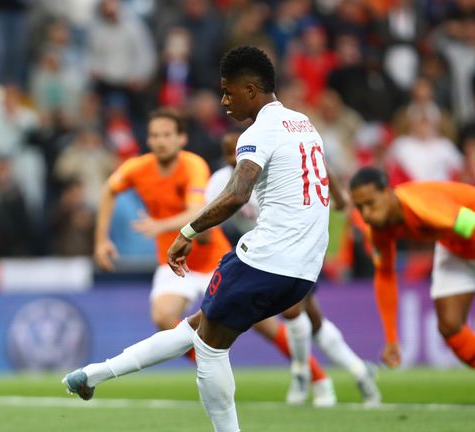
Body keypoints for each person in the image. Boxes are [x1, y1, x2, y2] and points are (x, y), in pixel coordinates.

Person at [65, 46, 330, 431]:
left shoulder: (259, 132)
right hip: (304, 271)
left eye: (229, 91)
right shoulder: (304, 124)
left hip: (267, 257)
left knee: (208, 347)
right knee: (197, 327)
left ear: (252, 90)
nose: (224, 101)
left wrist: (186, 232)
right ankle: (94, 375)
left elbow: (237, 194)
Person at [208, 130, 380, 407]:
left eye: (236, 151)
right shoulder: (219, 182)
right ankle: (360, 371)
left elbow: (320, 166)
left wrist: (339, 197)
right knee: (313, 319)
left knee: (292, 311)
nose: (232, 158)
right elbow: (209, 218)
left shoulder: (271, 167)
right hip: (261, 256)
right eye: (227, 153)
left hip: (294, 243)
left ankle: (303, 374)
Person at [93, 108, 228, 338]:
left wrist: (160, 225)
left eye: (166, 135)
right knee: (163, 318)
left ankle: (309, 368)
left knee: (262, 323)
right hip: (173, 261)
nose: (160, 141)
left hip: (211, 257)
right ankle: (204, 359)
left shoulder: (193, 165)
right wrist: (101, 241)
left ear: (181, 138)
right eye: (154, 136)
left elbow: (197, 212)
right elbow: (108, 190)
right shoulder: (138, 168)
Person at [349, 167, 475, 369]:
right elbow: (385, 275)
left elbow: (471, 223)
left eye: (370, 203)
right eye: (359, 207)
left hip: (469, 236)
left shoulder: (421, 205)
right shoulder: (378, 231)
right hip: (454, 245)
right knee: (450, 325)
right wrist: (391, 338)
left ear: (388, 192)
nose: (366, 214)